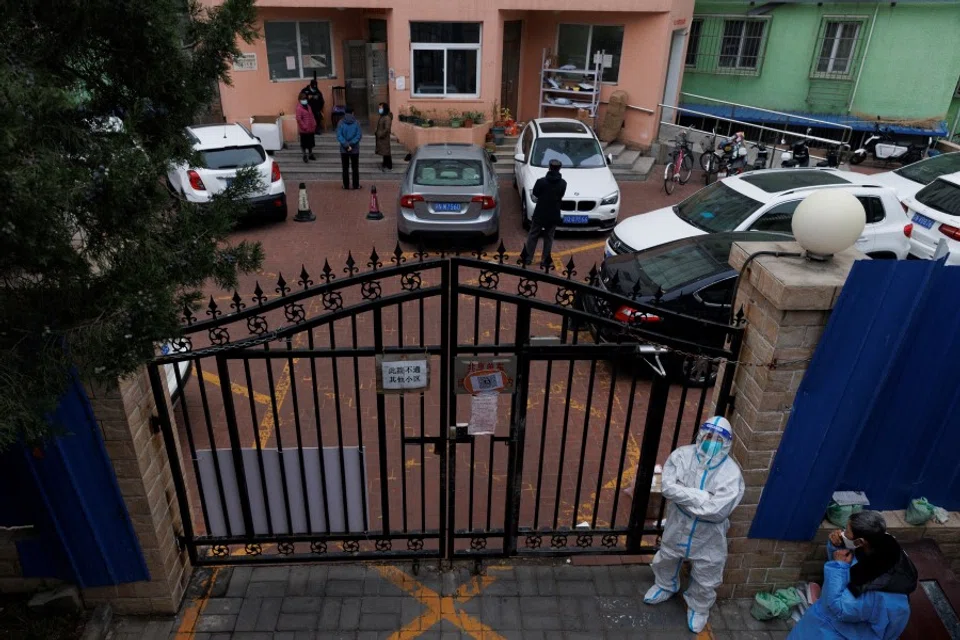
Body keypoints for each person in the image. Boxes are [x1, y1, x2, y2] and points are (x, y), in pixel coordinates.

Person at [643, 416, 745, 634]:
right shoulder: (682, 456)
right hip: (678, 524)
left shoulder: (731, 473)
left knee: (708, 569)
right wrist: (703, 496)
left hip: (709, 533)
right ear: (700, 434)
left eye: (718, 438)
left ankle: (699, 607)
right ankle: (665, 584)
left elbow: (718, 510)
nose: (712, 441)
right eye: (708, 436)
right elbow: (668, 488)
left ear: (726, 443)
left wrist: (685, 496)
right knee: (668, 554)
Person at [788, 510, 917, 639]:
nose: (842, 533)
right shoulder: (879, 545)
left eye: (846, 531)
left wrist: (838, 566)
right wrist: (837, 547)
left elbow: (837, 608)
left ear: (860, 541)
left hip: (835, 632)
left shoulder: (874, 587)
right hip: (825, 625)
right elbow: (848, 570)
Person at [522, 159, 566, 268]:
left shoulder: (541, 181)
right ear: (559, 169)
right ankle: (545, 260)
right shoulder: (563, 183)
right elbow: (561, 195)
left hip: (540, 212)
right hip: (553, 214)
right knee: (549, 237)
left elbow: (536, 193)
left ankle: (528, 258)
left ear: (549, 167)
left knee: (533, 235)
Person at [336, 105, 362, 190]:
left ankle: (346, 185)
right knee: (355, 168)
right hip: (354, 149)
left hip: (344, 149)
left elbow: (339, 135)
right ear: (352, 112)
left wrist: (346, 145)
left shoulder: (340, 122)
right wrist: (351, 144)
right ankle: (356, 185)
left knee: (345, 168)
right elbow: (358, 135)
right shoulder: (357, 122)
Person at [295, 91, 316, 163]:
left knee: (310, 143)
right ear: (300, 100)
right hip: (304, 130)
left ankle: (310, 154)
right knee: (304, 144)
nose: (305, 100)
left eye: (305, 99)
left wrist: (314, 123)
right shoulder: (299, 108)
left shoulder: (308, 106)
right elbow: (298, 119)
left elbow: (312, 115)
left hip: (311, 128)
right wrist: (304, 126)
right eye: (303, 99)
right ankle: (304, 155)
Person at [375, 102, 393, 172]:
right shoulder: (382, 116)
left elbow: (387, 129)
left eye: (380, 108)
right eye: (379, 108)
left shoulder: (387, 117)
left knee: (386, 152)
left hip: (384, 138)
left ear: (384, 108)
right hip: (381, 138)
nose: (379, 109)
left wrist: (380, 134)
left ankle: (389, 166)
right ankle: (385, 164)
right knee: (384, 152)